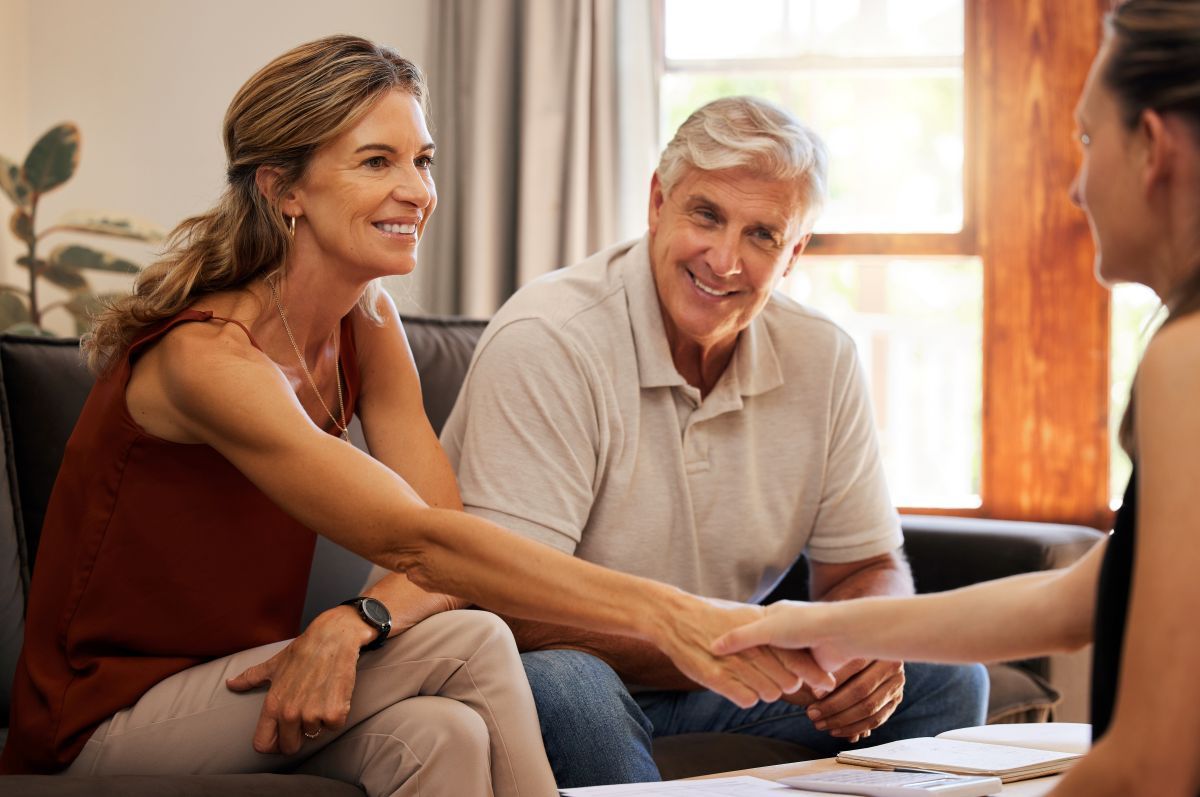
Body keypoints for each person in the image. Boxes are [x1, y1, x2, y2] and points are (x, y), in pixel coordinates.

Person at [0, 36, 829, 796]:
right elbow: (425, 544)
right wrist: (666, 612)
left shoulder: (367, 320)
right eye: (376, 161)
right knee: (475, 641)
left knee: (442, 733)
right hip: (103, 722)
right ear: (283, 188)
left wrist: (358, 618)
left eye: (422, 160)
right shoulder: (206, 359)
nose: (417, 190)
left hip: (244, 680)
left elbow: (445, 527)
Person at [713, 2, 1200, 795]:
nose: (1077, 187)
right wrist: (811, 622)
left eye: (1086, 139)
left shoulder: (1189, 356)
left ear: (1154, 146)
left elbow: (1150, 765)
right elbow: (1071, 599)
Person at [440, 95, 988, 787]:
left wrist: (867, 642)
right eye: (706, 215)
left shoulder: (823, 356)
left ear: (794, 254)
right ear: (658, 203)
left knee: (946, 675)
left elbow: (866, 566)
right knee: (565, 685)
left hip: (721, 677)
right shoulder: (551, 339)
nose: (725, 260)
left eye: (763, 235)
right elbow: (508, 600)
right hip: (571, 668)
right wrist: (736, 650)